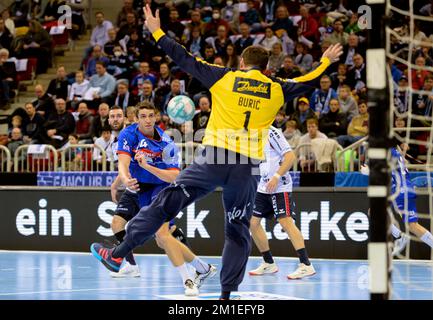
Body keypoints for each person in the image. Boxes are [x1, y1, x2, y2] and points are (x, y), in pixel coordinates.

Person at [90, 4, 342, 300]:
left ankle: (118, 254)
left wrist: (157, 30)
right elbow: (308, 81)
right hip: (247, 168)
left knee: (164, 204)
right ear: (265, 68)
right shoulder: (276, 88)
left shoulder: (226, 78)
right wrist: (325, 62)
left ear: (244, 63)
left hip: (214, 158)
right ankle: (225, 296)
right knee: (237, 229)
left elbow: (183, 57)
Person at [106, 101, 216, 295]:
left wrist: (148, 166)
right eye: (143, 116)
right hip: (140, 188)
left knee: (162, 234)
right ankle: (203, 268)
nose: (147, 120)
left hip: (163, 187)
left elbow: (174, 176)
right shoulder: (128, 135)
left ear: (156, 117)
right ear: (136, 118)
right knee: (157, 237)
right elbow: (123, 163)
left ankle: (188, 281)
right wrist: (122, 180)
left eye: (151, 116)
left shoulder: (167, 142)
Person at [249, 127, 315, 279]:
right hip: (263, 186)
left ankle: (306, 265)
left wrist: (277, 176)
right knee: (253, 223)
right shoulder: (252, 133)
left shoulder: (272, 132)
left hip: (279, 185)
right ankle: (268, 263)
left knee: (285, 222)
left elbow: (290, 156)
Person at [361, 146, 433, 256]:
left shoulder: (387, 151)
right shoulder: (393, 150)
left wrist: (369, 172)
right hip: (402, 188)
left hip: (400, 190)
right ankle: (400, 236)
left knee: (412, 226)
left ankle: (400, 236)